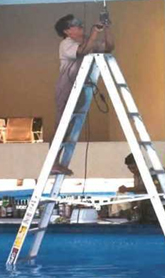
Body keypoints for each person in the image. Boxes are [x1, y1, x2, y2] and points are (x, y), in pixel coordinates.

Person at [51, 14, 115, 175]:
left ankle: (58, 162)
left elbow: (108, 47)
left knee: (71, 125)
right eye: (76, 25)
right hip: (67, 86)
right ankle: (53, 162)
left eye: (80, 23)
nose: (80, 26)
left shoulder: (87, 40)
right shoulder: (66, 44)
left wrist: (106, 29)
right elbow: (83, 51)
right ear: (67, 31)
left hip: (81, 86)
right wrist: (94, 32)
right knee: (62, 125)